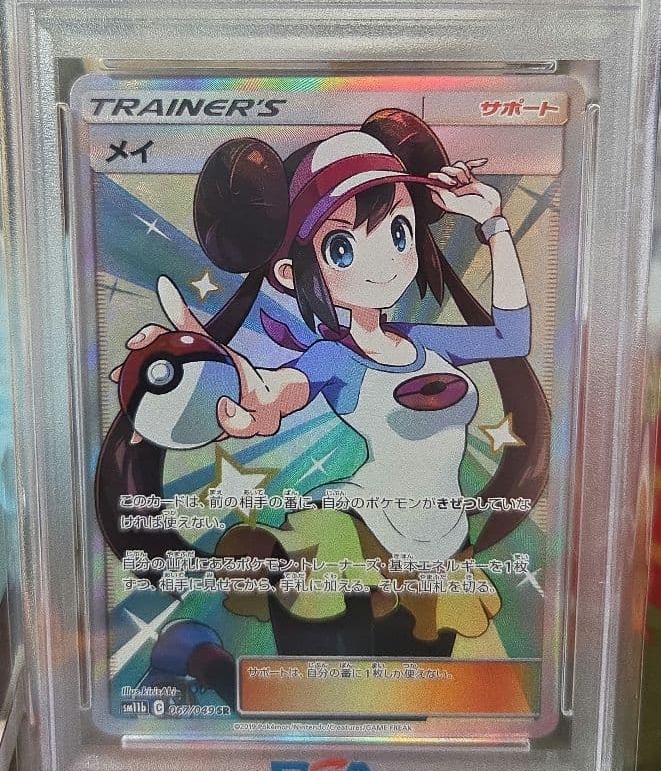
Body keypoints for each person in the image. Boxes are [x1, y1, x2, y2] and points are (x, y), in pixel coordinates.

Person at [97, 108, 549, 697]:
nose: (385, 259)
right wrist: (227, 384)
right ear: (291, 272)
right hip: (351, 533)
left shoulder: (425, 342)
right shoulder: (334, 358)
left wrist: (494, 225)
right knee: (318, 695)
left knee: (407, 702)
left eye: (399, 231)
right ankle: (202, 660)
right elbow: (278, 392)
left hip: (440, 542)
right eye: (342, 247)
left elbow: (511, 337)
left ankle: (202, 659)